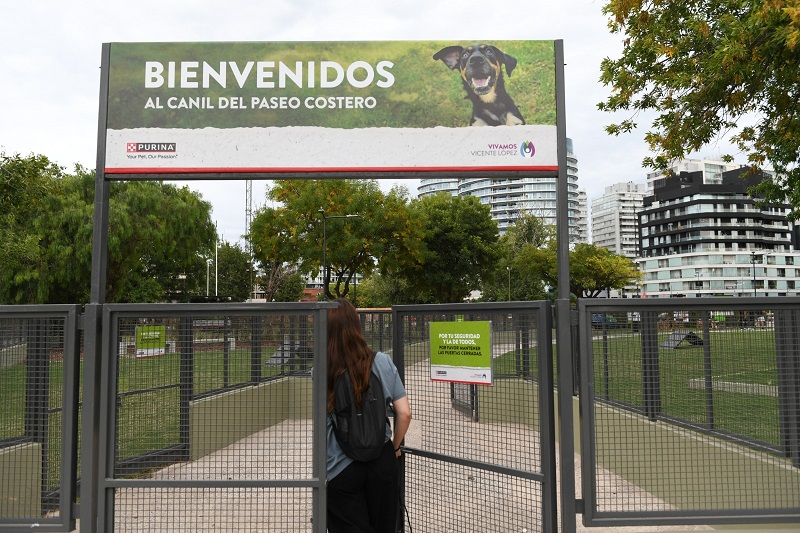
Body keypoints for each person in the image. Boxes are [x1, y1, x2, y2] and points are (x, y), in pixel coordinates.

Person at [325, 298, 411, 533]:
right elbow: (404, 413)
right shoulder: (382, 361)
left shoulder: (322, 369)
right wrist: (394, 447)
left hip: (340, 468)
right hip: (381, 460)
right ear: (357, 325)